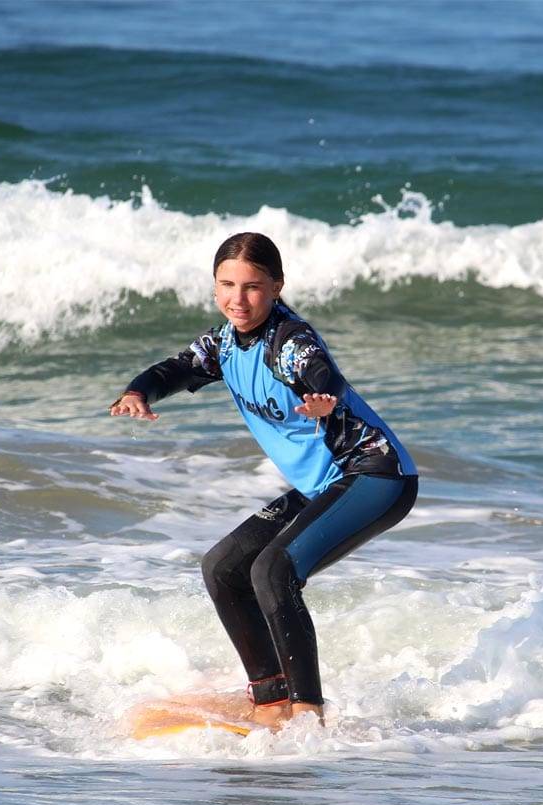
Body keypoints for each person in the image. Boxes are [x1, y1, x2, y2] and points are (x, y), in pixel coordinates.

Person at [111, 232, 418, 725]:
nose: (238, 298)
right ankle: (272, 699)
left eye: (253, 286)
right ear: (214, 288)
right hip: (327, 484)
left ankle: (308, 713)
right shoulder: (224, 344)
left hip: (375, 473)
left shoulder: (288, 341)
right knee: (223, 569)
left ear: (276, 286)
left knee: (274, 570)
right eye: (227, 285)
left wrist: (322, 398)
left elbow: (319, 371)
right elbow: (176, 369)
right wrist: (138, 391)